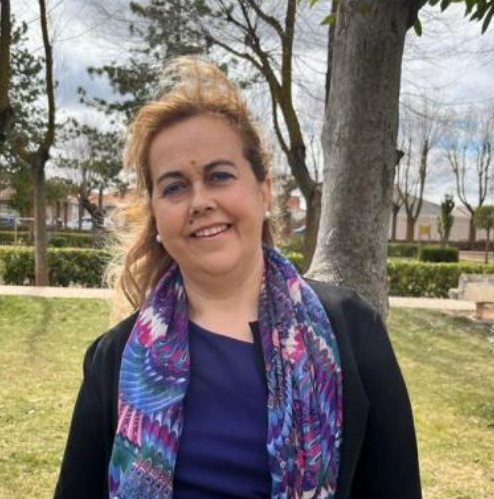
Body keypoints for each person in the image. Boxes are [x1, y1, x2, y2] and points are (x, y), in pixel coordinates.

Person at [54, 58, 421, 499]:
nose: (200, 201)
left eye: (220, 176)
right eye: (174, 187)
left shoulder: (353, 333)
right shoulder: (113, 360)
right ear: (156, 217)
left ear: (264, 192)